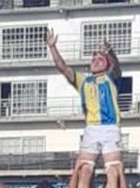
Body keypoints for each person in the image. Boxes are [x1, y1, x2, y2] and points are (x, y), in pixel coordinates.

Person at [47, 29, 124, 175]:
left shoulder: (110, 78)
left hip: (110, 126)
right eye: (93, 59)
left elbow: (116, 67)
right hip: (91, 127)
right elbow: (62, 66)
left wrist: (110, 52)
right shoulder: (83, 80)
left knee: (114, 170)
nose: (95, 62)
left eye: (100, 60)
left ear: (106, 64)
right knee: (83, 170)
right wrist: (52, 47)